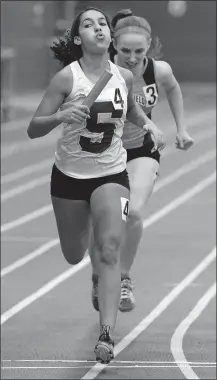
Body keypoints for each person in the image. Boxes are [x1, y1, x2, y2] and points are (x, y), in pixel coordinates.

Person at [27, 7, 164, 363]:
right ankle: (90, 232)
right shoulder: (66, 79)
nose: (98, 28)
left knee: (107, 250)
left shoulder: (122, 75)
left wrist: (148, 124)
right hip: (70, 178)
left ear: (110, 35)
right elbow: (33, 127)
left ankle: (106, 335)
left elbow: (130, 111)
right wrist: (60, 116)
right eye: (89, 24)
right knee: (75, 254)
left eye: (102, 23)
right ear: (78, 38)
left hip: (111, 173)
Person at [90, 8, 194, 313]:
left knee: (132, 213)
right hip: (103, 152)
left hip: (141, 151)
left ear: (149, 47)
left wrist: (182, 129)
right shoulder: (99, 70)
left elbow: (173, 88)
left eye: (139, 51)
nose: (133, 58)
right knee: (100, 223)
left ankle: (122, 279)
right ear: (114, 47)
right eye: (125, 51)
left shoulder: (158, 71)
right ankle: (99, 277)